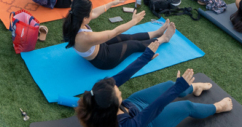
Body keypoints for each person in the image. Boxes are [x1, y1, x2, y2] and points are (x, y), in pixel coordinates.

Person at [76, 48, 231, 126]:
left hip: (132, 104)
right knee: (186, 106)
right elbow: (156, 108)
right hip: (148, 122)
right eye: (118, 93)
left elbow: (123, 75)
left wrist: (145, 57)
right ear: (112, 105)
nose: (119, 88)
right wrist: (178, 88)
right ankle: (217, 107)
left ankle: (193, 88)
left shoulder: (99, 97)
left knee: (170, 85)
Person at [62, 0, 177, 70]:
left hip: (98, 47)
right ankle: (164, 38)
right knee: (132, 44)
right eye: (90, 12)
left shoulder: (73, 18)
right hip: (104, 59)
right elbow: (115, 31)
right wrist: (134, 21)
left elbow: (95, 13)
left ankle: (157, 32)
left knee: (127, 37)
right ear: (84, 18)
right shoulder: (86, 37)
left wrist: (111, 3)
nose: (92, 13)